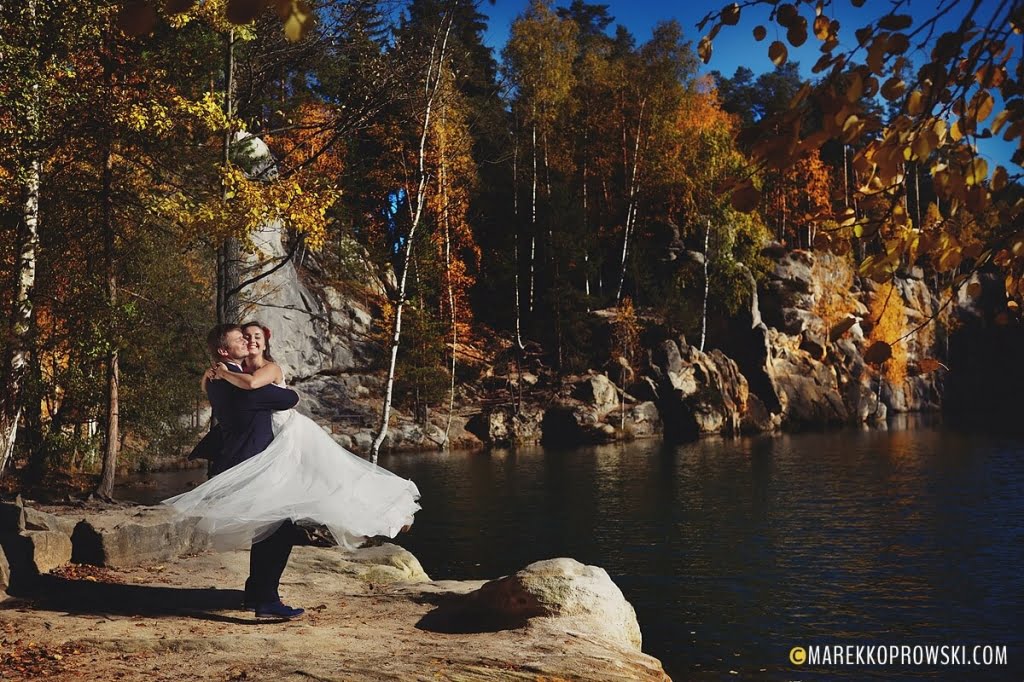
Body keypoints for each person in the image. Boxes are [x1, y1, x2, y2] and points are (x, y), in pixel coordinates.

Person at [165, 321, 420, 616]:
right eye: (241, 339)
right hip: (257, 464)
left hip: (253, 459)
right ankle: (265, 600)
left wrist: (217, 372)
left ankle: (257, 593)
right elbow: (289, 398)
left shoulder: (219, 379)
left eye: (254, 338)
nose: (248, 343)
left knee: (277, 522)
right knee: (280, 527)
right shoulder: (240, 384)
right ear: (224, 350)